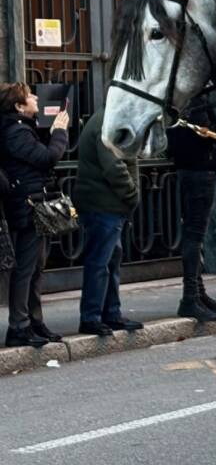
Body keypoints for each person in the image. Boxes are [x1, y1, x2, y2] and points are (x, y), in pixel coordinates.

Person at [0, 83, 68, 347]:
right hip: (27, 207)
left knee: (37, 267)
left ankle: (34, 321)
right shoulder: (15, 132)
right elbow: (48, 158)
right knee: (26, 269)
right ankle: (19, 326)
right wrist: (59, 132)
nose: (36, 97)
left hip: (35, 206)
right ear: (18, 106)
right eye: (29, 96)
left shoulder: (21, 128)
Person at [72, 108, 144, 336]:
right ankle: (92, 318)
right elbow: (113, 167)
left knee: (110, 261)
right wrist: (132, 195)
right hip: (103, 205)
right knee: (100, 262)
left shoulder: (108, 119)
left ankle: (110, 314)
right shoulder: (107, 122)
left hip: (106, 205)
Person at [166, 96, 216, 322]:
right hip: (199, 169)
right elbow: (203, 134)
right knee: (195, 236)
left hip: (197, 168)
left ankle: (198, 294)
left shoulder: (186, 101)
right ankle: (190, 298)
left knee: (196, 236)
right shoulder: (192, 102)